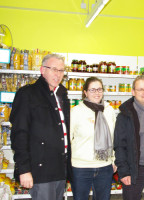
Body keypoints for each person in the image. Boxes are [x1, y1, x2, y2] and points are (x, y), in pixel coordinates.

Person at [10, 54, 72, 199]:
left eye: (61, 70)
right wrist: (24, 169)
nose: (58, 74)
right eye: (54, 69)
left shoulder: (62, 96)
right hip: (41, 170)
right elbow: (19, 134)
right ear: (42, 70)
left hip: (60, 169)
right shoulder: (27, 94)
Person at [70, 77, 116, 200]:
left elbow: (114, 138)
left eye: (99, 89)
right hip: (80, 167)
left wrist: (114, 159)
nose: (97, 93)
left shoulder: (109, 110)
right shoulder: (76, 111)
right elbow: (67, 139)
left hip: (105, 166)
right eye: (92, 90)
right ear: (85, 92)